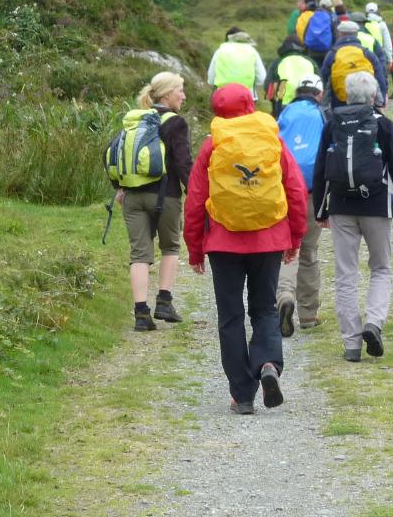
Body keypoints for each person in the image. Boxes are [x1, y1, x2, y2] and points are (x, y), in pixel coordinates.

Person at [185, 84, 308, 414]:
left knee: (230, 316)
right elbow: (295, 190)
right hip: (268, 239)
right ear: (251, 105)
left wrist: (195, 248)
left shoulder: (213, 144)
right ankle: (268, 363)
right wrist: (295, 237)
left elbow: (195, 200)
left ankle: (242, 395)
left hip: (223, 243)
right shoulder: (272, 139)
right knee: (265, 308)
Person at [312, 71, 393, 362]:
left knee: (346, 274)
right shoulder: (382, 124)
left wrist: (320, 209)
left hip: (341, 208)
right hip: (376, 206)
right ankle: (373, 322)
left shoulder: (332, 123)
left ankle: (352, 344)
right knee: (381, 268)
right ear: (373, 97)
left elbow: (321, 170)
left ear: (346, 95)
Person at [108, 72, 193, 331]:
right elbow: (182, 162)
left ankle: (141, 313)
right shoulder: (175, 123)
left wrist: (120, 187)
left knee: (139, 255)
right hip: (165, 196)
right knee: (170, 247)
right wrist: (196, 192)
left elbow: (114, 154)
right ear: (167, 93)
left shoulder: (136, 119)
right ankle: (164, 302)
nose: (184, 95)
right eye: (180, 90)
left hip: (132, 195)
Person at [275, 75, 327, 335]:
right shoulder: (321, 115)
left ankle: (285, 294)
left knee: (288, 247)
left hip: (283, 189)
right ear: (319, 93)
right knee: (309, 251)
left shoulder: (284, 114)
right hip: (311, 190)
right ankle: (308, 314)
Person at [319, 19, 383, 108]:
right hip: (366, 99)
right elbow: (379, 74)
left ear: (339, 34)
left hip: (340, 101)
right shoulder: (366, 53)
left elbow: (324, 76)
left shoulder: (332, 54)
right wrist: (383, 95)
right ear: (357, 34)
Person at [207, 27, 267, 98]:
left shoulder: (220, 51)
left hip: (223, 97)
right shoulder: (252, 51)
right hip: (247, 97)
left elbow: (211, 79)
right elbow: (262, 78)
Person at [269, 44, 316, 116]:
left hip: (284, 102)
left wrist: (275, 106)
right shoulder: (310, 62)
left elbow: (272, 86)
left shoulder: (279, 62)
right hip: (306, 102)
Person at [359, 2, 392, 75]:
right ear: (377, 11)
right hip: (378, 54)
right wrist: (390, 59)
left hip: (364, 54)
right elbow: (387, 43)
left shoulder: (363, 24)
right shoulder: (382, 24)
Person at [302, 0, 336, 66]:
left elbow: (305, 33)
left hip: (312, 50)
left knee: (314, 68)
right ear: (329, 6)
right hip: (326, 50)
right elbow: (334, 34)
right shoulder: (330, 17)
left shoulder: (313, 16)